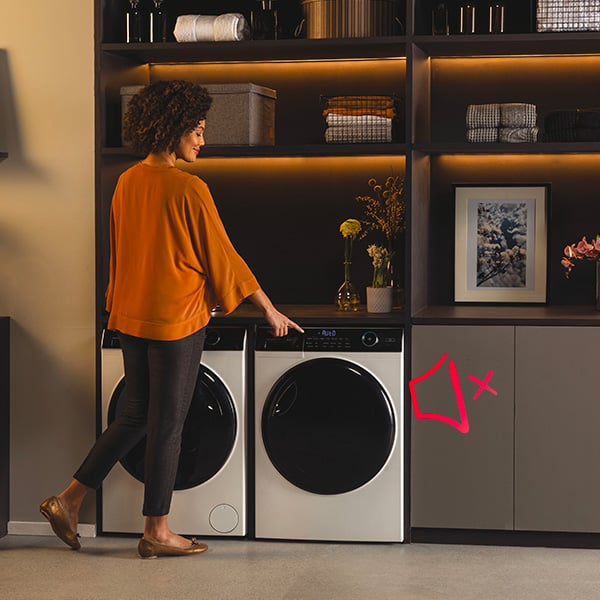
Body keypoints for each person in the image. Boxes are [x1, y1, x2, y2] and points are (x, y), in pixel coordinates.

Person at [40, 80, 303, 559]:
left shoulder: (126, 181)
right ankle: (157, 530)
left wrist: (115, 308)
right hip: (177, 320)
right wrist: (266, 307)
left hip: (130, 317)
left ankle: (68, 499)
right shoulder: (189, 187)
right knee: (168, 425)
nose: (202, 140)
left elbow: (119, 256)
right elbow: (223, 257)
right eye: (197, 131)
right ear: (172, 130)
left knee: (135, 415)